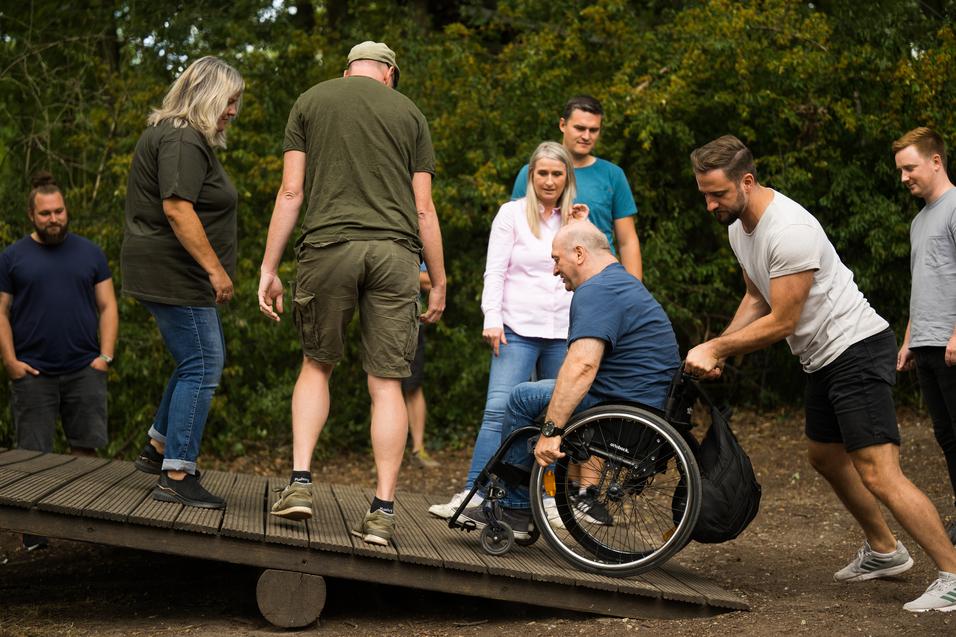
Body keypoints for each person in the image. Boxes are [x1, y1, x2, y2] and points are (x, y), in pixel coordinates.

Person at [684, 134, 956, 613]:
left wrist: (716, 346)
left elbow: (783, 320)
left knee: (879, 471)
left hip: (856, 349)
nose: (710, 205)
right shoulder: (738, 229)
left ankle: (952, 572)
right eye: (704, 194)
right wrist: (720, 347)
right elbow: (756, 297)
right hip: (822, 358)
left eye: (718, 193)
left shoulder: (788, 229)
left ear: (747, 181)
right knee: (825, 456)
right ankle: (886, 551)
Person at [259, 41, 446, 547]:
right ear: (389, 74)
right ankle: (382, 512)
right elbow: (423, 209)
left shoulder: (310, 101)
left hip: (328, 247)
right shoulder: (410, 113)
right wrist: (439, 279)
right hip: (395, 254)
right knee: (387, 384)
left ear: (347, 72)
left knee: (316, 364)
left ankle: (300, 483)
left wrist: (269, 267)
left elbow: (291, 192)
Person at [460, 221, 680, 536]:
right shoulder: (621, 283)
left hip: (621, 411)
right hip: (639, 406)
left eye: (556, 259)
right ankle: (519, 499)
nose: (554, 270)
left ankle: (515, 509)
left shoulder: (598, 290)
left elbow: (582, 365)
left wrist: (552, 431)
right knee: (541, 393)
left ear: (579, 253)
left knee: (522, 397)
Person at [429, 141, 586, 519]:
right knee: (498, 412)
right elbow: (495, 270)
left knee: (558, 417)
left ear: (567, 178)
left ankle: (547, 500)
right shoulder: (511, 214)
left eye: (557, 174)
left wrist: (581, 225)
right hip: (515, 329)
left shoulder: (576, 220)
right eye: (542, 173)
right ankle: (474, 493)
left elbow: (591, 271)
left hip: (562, 333)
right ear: (531, 176)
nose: (549, 181)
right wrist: (492, 317)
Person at [122, 56, 244, 510]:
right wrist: (216, 270)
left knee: (193, 359)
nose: (233, 111)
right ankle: (177, 473)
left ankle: (158, 447)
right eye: (229, 100)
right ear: (208, 95)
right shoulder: (181, 138)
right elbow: (177, 209)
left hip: (171, 270)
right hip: (175, 271)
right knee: (204, 364)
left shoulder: (177, 136)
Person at [0, 172, 118, 550]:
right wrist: (10, 362)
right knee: (32, 457)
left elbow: (108, 305)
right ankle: (34, 537)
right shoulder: (12, 257)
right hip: (33, 373)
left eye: (59, 211)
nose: (54, 219)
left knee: (86, 450)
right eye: (46, 213)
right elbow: (1, 312)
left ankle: (83, 530)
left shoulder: (90, 253)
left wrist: (105, 356)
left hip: (84, 369)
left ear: (66, 210)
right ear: (31, 215)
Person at [893, 127, 956, 546]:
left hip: (952, 345)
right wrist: (909, 338)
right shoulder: (919, 221)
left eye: (910, 167)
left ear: (936, 161)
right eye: (900, 170)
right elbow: (924, 283)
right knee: (947, 437)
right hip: (927, 344)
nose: (904, 177)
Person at [511, 95, 643, 279]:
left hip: (600, 280)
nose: (586, 136)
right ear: (562, 125)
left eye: (593, 130)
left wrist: (634, 290)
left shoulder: (613, 175)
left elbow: (627, 241)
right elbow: (514, 235)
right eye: (580, 128)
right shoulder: (533, 173)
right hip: (542, 279)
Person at [405, 263, 438, 469]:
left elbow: (430, 281)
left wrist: (400, 270)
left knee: (413, 387)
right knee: (381, 388)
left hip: (412, 324)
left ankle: (418, 450)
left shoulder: (415, 247)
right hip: (378, 322)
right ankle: (382, 452)